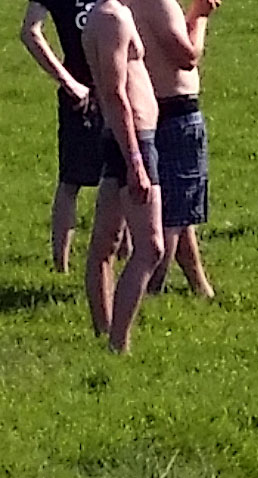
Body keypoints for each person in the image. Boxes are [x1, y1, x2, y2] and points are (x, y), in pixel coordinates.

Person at [81, 0, 162, 353]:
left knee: (106, 243)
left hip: (122, 137)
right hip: (133, 140)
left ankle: (105, 332)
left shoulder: (104, 15)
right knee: (150, 248)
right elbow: (115, 92)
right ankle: (118, 343)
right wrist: (136, 163)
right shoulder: (112, 17)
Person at [130, 0, 217, 299]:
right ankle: (149, 291)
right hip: (177, 113)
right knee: (172, 216)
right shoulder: (158, 3)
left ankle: (200, 287)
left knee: (178, 208)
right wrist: (201, 16)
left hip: (155, 110)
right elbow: (187, 56)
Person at [19, 0, 104, 273]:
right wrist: (68, 82)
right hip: (81, 94)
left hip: (122, 85)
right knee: (71, 181)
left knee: (123, 177)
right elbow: (30, 31)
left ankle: (119, 260)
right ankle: (61, 268)